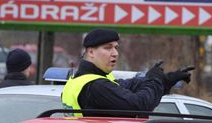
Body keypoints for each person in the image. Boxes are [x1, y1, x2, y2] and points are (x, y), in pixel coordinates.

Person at [61, 28, 194, 116]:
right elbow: (139, 106)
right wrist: (155, 80)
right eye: (108, 48)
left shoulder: (79, 80)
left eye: (116, 48)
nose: (115, 53)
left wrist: (165, 80)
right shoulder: (97, 86)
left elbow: (130, 85)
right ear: (91, 52)